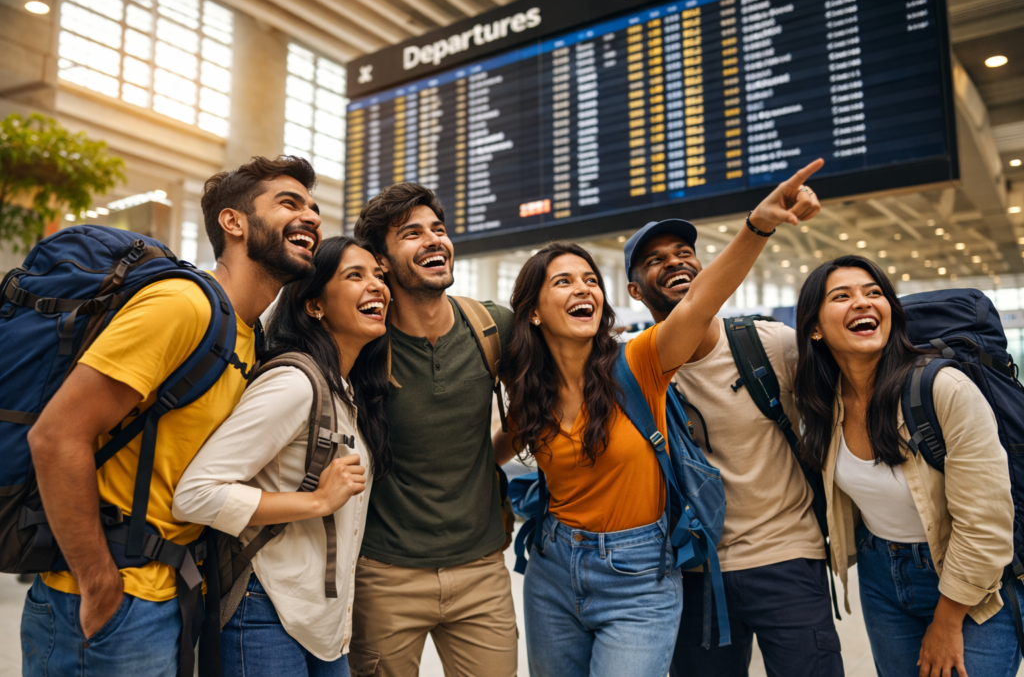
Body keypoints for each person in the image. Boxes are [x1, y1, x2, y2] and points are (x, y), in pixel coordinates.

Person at [498, 159, 825, 677]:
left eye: (589, 279)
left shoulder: (638, 361)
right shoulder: (532, 394)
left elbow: (698, 303)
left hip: (641, 570)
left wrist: (757, 225)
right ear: (534, 311)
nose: (583, 288)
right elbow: (483, 453)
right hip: (552, 567)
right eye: (563, 281)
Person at [22, 156, 322, 677]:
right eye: (289, 203)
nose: (313, 217)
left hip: (169, 592)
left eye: (314, 208)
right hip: (113, 598)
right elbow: (55, 436)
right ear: (233, 222)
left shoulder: (249, 335)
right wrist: (98, 581)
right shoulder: (183, 305)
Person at [624, 219, 840, 676]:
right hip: (694, 572)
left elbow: (845, 406)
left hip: (786, 558)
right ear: (635, 292)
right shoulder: (635, 370)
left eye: (683, 251)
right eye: (654, 260)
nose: (674, 262)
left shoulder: (770, 345)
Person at [173, 236, 392, 677]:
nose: (378, 287)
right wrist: (317, 501)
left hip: (323, 623)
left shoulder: (347, 392)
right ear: (314, 306)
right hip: (265, 611)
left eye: (379, 276)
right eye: (355, 275)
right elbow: (195, 495)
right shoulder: (295, 383)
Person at [794, 255, 1023, 677]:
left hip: (974, 579)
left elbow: (986, 521)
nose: (862, 303)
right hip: (882, 576)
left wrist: (948, 619)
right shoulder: (825, 402)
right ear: (814, 327)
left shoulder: (942, 387)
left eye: (874, 293)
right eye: (842, 296)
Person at [350, 182, 517, 677]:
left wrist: (486, 459)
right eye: (411, 234)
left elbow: (540, 409)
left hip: (482, 572)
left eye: (438, 230)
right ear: (381, 260)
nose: (433, 241)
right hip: (384, 575)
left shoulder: (490, 327)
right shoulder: (361, 343)